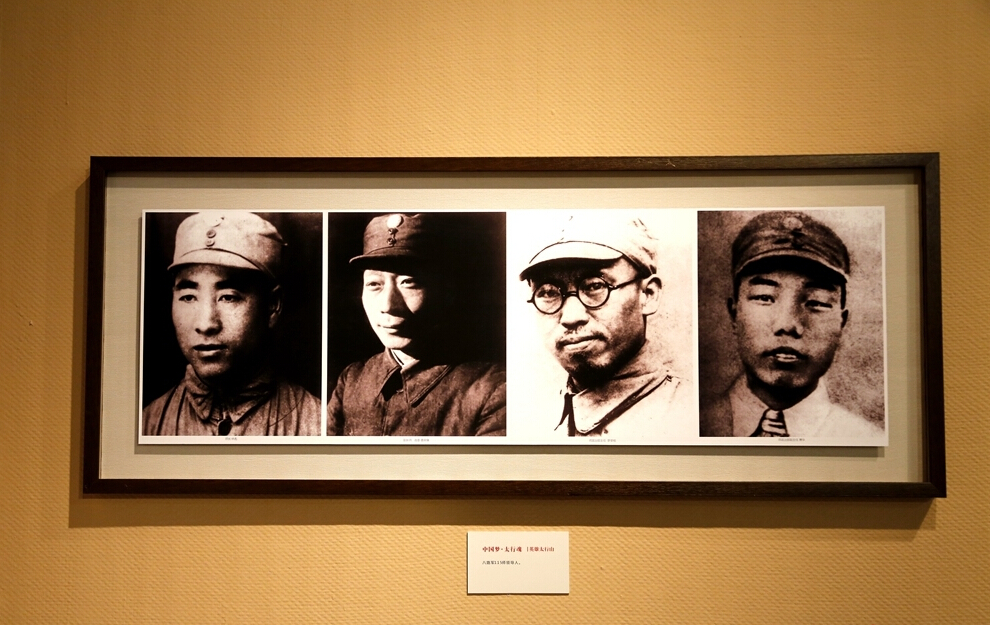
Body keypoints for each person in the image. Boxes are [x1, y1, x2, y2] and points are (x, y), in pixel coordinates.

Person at [699, 210, 884, 438]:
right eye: (764, 297)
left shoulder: (866, 439)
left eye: (817, 302)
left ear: (842, 322)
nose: (787, 324)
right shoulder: (688, 424)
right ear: (734, 313)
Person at [143, 211, 321, 436]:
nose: (206, 324)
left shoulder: (316, 423)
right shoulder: (147, 424)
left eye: (228, 297)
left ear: (272, 306)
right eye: (188, 297)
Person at [328, 213, 507, 436]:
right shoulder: (352, 380)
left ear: (446, 293)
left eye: (409, 282)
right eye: (374, 284)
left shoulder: (493, 389)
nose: (388, 305)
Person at [519, 214, 694, 439]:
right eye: (548, 292)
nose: (571, 317)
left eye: (595, 286)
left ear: (648, 294)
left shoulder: (689, 417)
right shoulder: (527, 421)